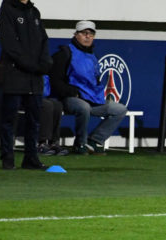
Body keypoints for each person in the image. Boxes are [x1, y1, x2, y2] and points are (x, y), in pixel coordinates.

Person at [0, 0, 52, 170]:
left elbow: (44, 40)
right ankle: (7, 157)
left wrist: (45, 63)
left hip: (34, 78)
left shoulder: (34, 12)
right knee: (9, 119)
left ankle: (31, 158)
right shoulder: (7, 11)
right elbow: (9, 44)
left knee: (34, 120)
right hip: (15, 74)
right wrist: (30, 65)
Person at [50, 21, 128, 154]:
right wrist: (73, 92)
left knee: (119, 109)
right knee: (83, 107)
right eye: (84, 33)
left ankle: (95, 141)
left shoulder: (92, 56)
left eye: (91, 34)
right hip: (70, 99)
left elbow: (95, 81)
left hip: (91, 99)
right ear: (76, 35)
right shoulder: (65, 53)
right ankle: (80, 143)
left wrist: (97, 95)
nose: (88, 36)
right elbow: (55, 81)